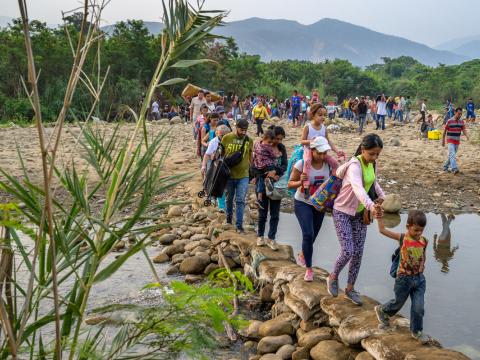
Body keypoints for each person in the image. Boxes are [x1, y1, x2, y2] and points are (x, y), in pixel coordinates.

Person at [327, 134, 385, 305]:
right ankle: (333, 277)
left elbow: (373, 183)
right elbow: (358, 189)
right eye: (371, 154)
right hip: (342, 212)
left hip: (359, 215)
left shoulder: (372, 164)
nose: (374, 158)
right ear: (362, 149)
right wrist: (371, 206)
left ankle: (350, 289)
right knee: (347, 251)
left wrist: (383, 197)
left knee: (358, 253)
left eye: (377, 155)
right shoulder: (354, 165)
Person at [375, 210, 430, 343]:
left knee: (419, 307)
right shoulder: (403, 238)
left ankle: (416, 331)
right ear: (408, 227)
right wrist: (379, 217)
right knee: (398, 303)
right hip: (403, 280)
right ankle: (382, 310)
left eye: (421, 230)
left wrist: (422, 266)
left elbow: (423, 256)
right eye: (416, 230)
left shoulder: (424, 241)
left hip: (419, 280)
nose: (418, 233)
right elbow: (382, 230)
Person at [288, 137, 337, 281]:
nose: (322, 156)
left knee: (313, 235)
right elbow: (289, 184)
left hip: (320, 205)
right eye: (319, 153)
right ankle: (309, 269)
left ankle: (303, 254)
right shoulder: (301, 164)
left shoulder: (329, 165)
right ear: (312, 150)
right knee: (308, 234)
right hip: (303, 202)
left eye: (325, 153)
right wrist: (300, 182)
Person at [257, 126, 287, 250]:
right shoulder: (263, 148)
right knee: (262, 212)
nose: (278, 141)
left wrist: (276, 172)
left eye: (281, 139)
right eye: (277, 139)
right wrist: (259, 189)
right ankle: (260, 236)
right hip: (263, 184)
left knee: (275, 214)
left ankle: (271, 238)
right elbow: (258, 168)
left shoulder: (281, 148)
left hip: (277, 184)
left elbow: (285, 165)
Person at [222, 119, 254, 234]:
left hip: (243, 175)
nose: (244, 132)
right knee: (229, 199)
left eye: (245, 130)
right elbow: (221, 154)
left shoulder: (249, 140)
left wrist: (252, 170)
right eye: (241, 130)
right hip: (229, 175)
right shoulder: (227, 138)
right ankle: (229, 219)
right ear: (236, 127)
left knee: (240, 200)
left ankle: (239, 226)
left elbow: (251, 155)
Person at [201, 124, 232, 211]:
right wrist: (203, 166)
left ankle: (228, 203)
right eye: (222, 135)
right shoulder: (213, 141)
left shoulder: (231, 141)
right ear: (217, 133)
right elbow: (207, 154)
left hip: (228, 165)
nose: (224, 137)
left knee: (228, 186)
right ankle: (221, 206)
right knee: (219, 184)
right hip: (217, 165)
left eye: (226, 135)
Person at [252, 130, 277, 209]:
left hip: (258, 165)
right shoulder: (268, 147)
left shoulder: (257, 144)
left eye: (271, 143)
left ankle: (259, 195)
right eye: (269, 142)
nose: (270, 144)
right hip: (267, 166)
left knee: (260, 179)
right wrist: (276, 155)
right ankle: (270, 182)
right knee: (266, 176)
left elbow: (254, 153)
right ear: (264, 138)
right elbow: (273, 156)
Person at [442, 107, 469, 174]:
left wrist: (467, 135)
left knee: (451, 155)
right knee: (452, 154)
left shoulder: (461, 122)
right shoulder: (449, 121)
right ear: (455, 112)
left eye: (461, 114)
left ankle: (445, 167)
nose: (459, 115)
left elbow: (463, 130)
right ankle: (454, 168)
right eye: (458, 114)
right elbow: (445, 130)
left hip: (457, 141)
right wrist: (443, 140)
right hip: (450, 140)